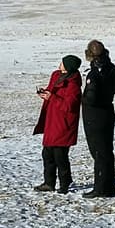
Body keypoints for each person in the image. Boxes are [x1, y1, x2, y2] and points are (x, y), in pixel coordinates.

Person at [80, 40, 115, 198]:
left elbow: (91, 97)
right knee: (107, 150)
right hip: (108, 110)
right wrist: (108, 93)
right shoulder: (112, 68)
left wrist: (83, 99)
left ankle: (101, 188)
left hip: (95, 114)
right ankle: (108, 186)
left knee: (99, 152)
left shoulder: (94, 73)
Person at [33, 55, 83, 194]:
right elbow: (51, 90)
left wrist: (52, 97)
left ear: (68, 67)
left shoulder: (73, 85)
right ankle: (49, 183)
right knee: (47, 154)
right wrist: (45, 93)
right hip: (52, 120)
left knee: (60, 156)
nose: (59, 64)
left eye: (63, 63)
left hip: (64, 124)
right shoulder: (56, 76)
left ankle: (65, 183)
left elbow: (69, 106)